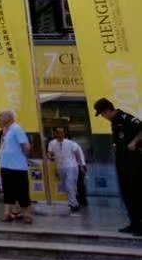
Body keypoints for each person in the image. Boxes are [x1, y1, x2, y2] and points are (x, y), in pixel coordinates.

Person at [93, 98, 142, 235]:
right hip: (123, 164)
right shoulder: (115, 123)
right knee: (127, 195)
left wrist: (134, 142)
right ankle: (134, 223)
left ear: (108, 110)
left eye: (102, 114)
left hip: (134, 164)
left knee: (137, 194)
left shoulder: (125, 118)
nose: (103, 117)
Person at [0, 110, 33, 224]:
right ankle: (7, 213)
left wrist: (23, 157)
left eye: (1, 117)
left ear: (8, 118)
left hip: (17, 166)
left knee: (22, 191)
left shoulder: (17, 128)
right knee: (8, 191)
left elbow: (26, 146)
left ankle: (27, 214)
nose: (0, 119)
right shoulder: (5, 131)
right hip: (5, 166)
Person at [46, 126, 86, 214]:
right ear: (55, 134)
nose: (60, 134)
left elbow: (78, 153)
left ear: (64, 133)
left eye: (61, 132)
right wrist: (50, 156)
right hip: (60, 167)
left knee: (69, 184)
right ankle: (74, 199)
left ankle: (73, 204)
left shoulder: (70, 143)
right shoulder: (52, 143)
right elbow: (49, 153)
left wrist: (81, 164)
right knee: (65, 186)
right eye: (58, 132)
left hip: (71, 166)